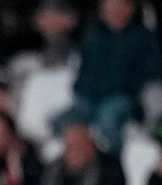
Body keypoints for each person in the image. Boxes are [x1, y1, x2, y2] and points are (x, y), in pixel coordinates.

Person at [66, 0, 162, 152]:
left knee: (108, 121)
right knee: (65, 122)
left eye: (116, 6)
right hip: (90, 96)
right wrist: (83, 90)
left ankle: (114, 161)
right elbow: (83, 71)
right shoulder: (93, 35)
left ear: (129, 8)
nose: (111, 10)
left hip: (124, 97)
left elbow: (149, 73)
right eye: (107, 6)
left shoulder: (143, 37)